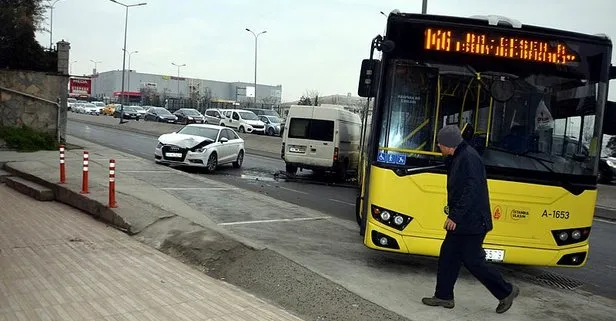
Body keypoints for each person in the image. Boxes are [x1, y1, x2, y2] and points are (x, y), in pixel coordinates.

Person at [422, 125, 519, 314]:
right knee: (449, 255)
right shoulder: (459, 155)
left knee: (473, 261)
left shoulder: (468, 157)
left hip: (472, 221)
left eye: (440, 144)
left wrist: (455, 216)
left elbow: (471, 190)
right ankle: (443, 296)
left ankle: (506, 291)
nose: (438, 147)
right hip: (466, 220)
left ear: (449, 145)